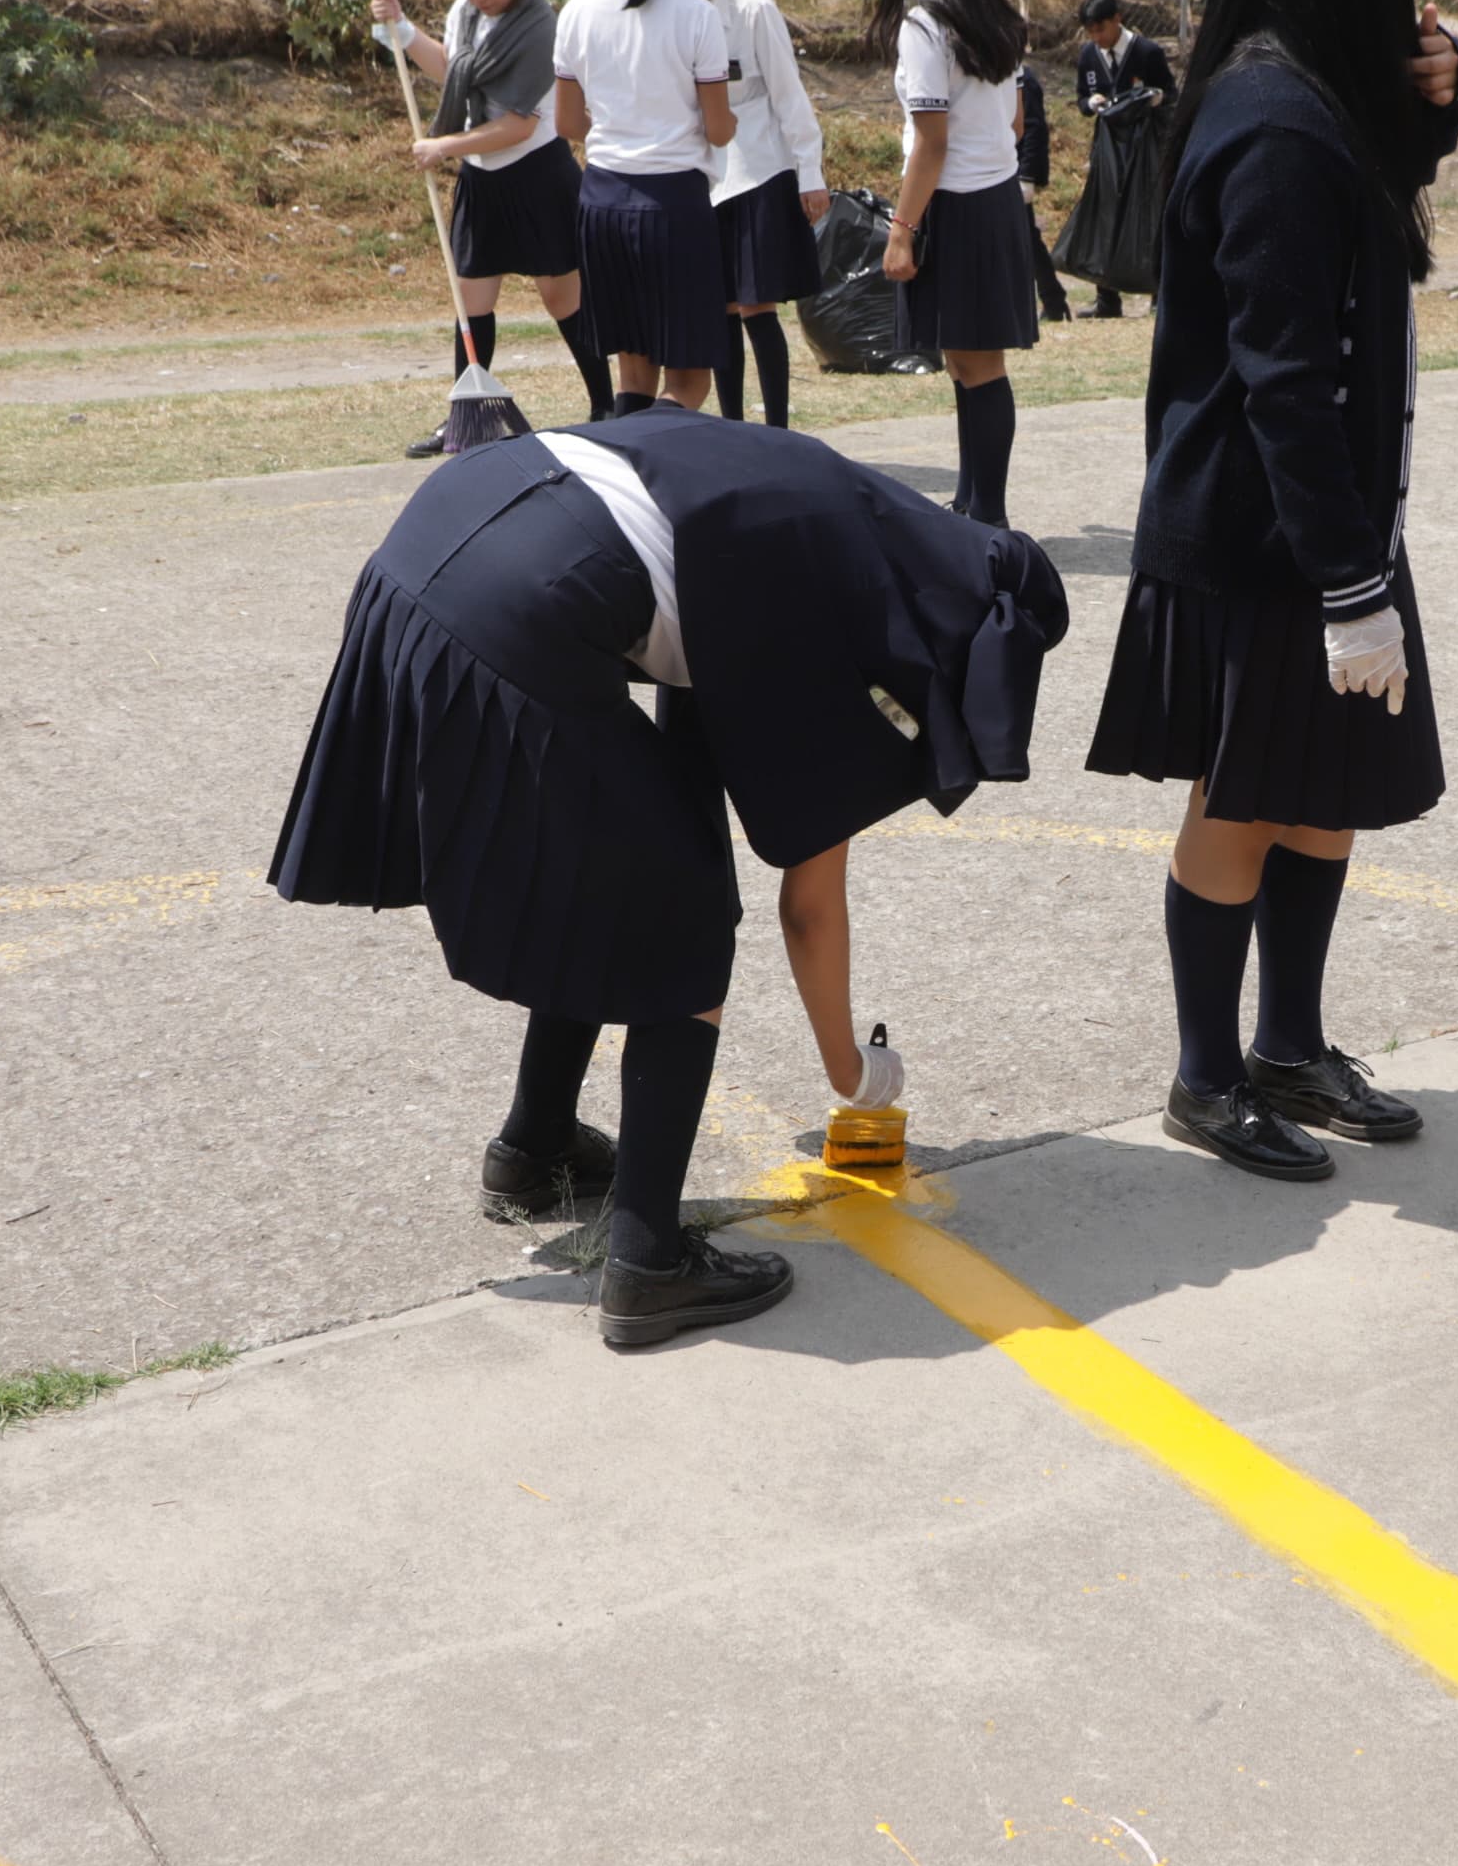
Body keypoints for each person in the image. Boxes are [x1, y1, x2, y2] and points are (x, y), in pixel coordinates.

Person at [268, 411, 1067, 1346]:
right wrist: (856, 1077)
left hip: (438, 539)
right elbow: (809, 908)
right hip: (524, 599)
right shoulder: (840, 607)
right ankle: (649, 1264)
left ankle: (537, 1146)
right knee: (681, 920)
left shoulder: (834, 513)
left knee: (620, 874)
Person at [1084, 0, 1458, 1182]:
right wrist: (1351, 585)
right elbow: (1283, 381)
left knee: (1324, 788)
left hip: (1325, 525)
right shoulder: (1271, 121)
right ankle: (1207, 1075)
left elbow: (1392, 178)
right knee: (1243, 798)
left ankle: (1289, 1046)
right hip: (1265, 536)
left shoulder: (1312, 95)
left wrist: (1443, 91)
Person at [374, 0, 612, 455]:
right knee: (471, 299)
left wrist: (444, 146)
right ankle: (465, 416)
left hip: (537, 174)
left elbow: (519, 124)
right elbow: (453, 69)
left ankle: (605, 403)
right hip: (483, 179)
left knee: (561, 296)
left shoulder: (541, 28)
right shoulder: (465, 14)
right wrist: (403, 30)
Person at [874, 0, 1039, 523]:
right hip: (995, 200)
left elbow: (931, 142)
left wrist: (901, 227)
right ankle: (972, 504)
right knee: (966, 363)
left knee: (978, 365)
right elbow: (1016, 125)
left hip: (956, 206)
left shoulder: (925, 26)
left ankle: (989, 519)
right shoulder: (999, 17)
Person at [552, 0, 736, 416]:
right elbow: (719, 129)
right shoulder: (697, 15)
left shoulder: (577, 10)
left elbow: (568, 123)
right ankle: (659, 459)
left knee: (633, 374)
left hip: (602, 204)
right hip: (674, 207)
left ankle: (628, 463)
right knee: (690, 381)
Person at [667, 0, 826, 428]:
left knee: (758, 306)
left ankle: (777, 430)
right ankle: (732, 427)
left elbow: (788, 92)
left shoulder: (753, 7)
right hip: (704, 172)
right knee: (721, 309)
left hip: (759, 166)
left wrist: (810, 171)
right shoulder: (671, 16)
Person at [1060, 0, 1176, 318]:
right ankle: (1107, 299)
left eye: (1101, 29)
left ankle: (1158, 294)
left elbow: (1171, 94)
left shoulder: (1147, 52)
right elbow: (1082, 99)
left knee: (1149, 213)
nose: (1097, 37)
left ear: (1117, 20)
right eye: (1091, 32)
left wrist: (1155, 98)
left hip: (1144, 146)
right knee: (1105, 214)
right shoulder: (1089, 55)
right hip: (1108, 147)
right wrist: (1091, 103)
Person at [1012, 56, 1071, 326]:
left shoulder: (1023, 78)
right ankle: (1053, 299)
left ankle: (1052, 300)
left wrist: (1027, 176)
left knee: (1026, 238)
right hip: (1001, 168)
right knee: (1025, 238)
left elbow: (1034, 129)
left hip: (1016, 170)